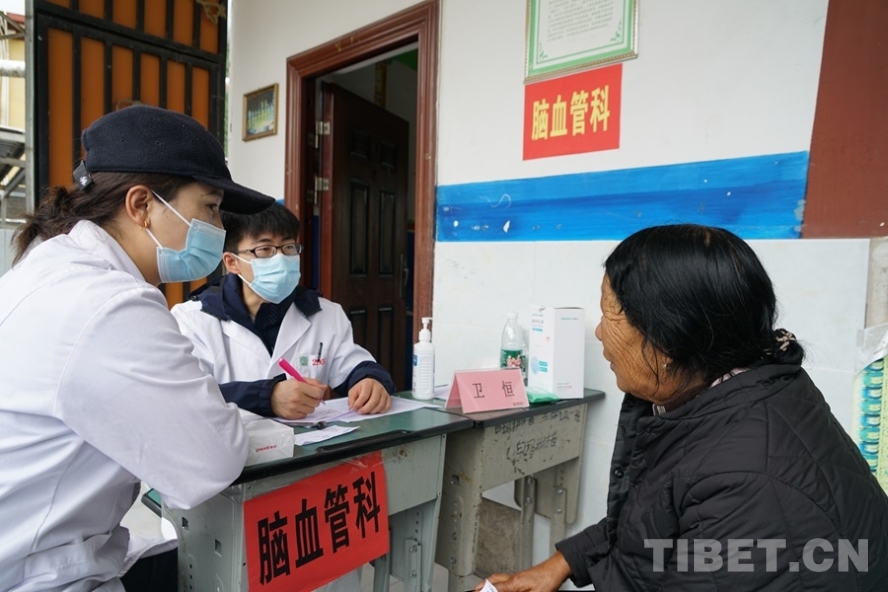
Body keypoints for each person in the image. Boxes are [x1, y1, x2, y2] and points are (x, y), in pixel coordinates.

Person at [481, 224, 888, 591]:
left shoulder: (748, 481)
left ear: (669, 341)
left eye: (610, 315)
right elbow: (656, 515)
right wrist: (562, 562)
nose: (600, 332)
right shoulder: (731, 394)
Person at [0, 105, 275, 591]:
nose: (219, 227)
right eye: (210, 207)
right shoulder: (107, 304)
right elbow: (208, 461)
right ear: (142, 204)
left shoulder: (48, 270)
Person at [170, 202, 395, 422]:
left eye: (288, 247)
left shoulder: (325, 313)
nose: (280, 259)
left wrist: (370, 381)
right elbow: (186, 394)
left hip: (308, 443)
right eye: (264, 249)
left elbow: (353, 364)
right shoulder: (192, 319)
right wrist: (267, 398)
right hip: (231, 444)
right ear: (232, 262)